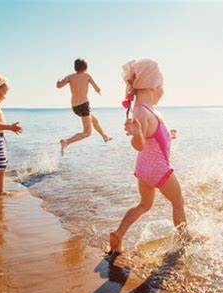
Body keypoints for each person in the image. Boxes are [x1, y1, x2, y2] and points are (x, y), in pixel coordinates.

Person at [109, 59, 187, 253]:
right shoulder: (141, 111)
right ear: (153, 86)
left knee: (144, 204)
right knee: (178, 203)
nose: (163, 90)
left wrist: (169, 135)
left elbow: (153, 137)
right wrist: (136, 134)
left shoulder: (146, 109)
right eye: (161, 85)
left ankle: (119, 234)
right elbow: (139, 144)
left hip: (144, 169)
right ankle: (185, 240)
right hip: (158, 168)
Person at [57, 58, 112, 156]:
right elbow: (97, 88)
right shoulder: (87, 76)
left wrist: (58, 81)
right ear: (85, 67)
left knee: (93, 119)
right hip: (84, 105)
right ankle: (67, 142)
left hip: (75, 107)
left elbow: (59, 86)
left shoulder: (70, 77)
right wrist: (99, 91)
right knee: (87, 132)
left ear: (75, 68)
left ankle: (104, 136)